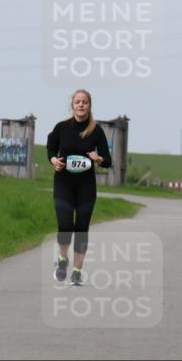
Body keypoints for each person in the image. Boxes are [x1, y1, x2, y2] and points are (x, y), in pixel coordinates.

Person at [46, 89, 112, 286]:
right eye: (77, 102)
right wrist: (53, 160)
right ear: (72, 105)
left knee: (81, 229)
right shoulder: (61, 127)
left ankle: (77, 271)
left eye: (84, 102)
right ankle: (62, 260)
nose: (81, 105)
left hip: (86, 187)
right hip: (64, 184)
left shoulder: (96, 131)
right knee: (65, 226)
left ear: (89, 105)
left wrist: (98, 158)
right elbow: (50, 147)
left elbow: (107, 161)